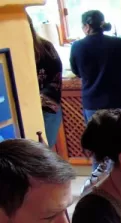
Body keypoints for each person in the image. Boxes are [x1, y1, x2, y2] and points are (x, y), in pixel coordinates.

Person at [69, 10, 121, 190]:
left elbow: (76, 71)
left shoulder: (77, 46)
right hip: (120, 99)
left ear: (86, 26)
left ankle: (98, 188)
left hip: (93, 103)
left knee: (98, 147)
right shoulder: (117, 43)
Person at [28, 15, 63, 147]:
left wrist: (37, 100)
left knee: (43, 153)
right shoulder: (13, 49)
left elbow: (56, 79)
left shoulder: (45, 48)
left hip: (47, 110)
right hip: (24, 110)